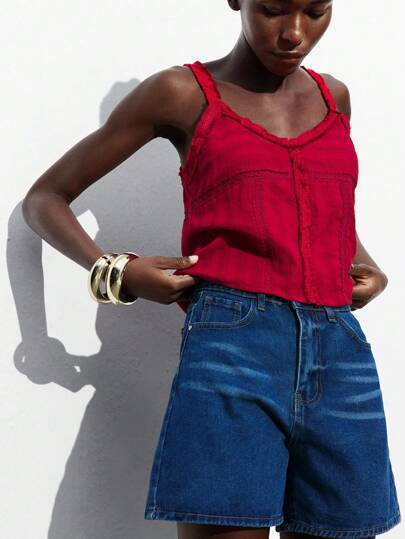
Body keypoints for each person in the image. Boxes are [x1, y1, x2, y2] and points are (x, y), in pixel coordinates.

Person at [22, 0, 402, 538]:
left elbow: (323, 209)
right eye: (274, 9)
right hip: (232, 349)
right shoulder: (181, 93)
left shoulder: (333, 97)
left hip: (341, 354)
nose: (294, 33)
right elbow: (45, 199)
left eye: (316, 11)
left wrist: (364, 264)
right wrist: (115, 271)